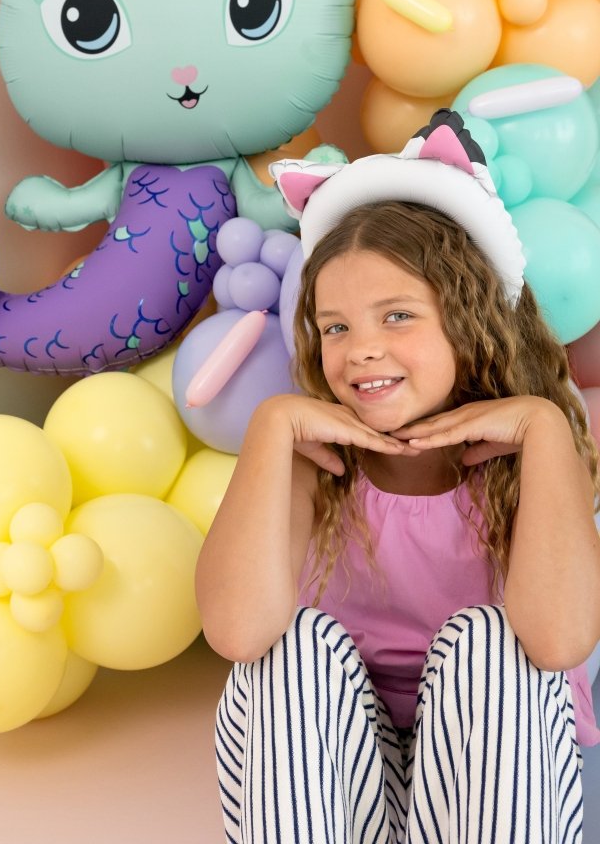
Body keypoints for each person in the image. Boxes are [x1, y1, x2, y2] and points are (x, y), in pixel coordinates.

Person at [196, 110, 600, 844]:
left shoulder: (530, 455)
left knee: (488, 641)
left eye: (398, 317)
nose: (360, 351)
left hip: (492, 763)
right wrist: (269, 430)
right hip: (343, 770)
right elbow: (238, 633)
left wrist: (543, 429)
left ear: (471, 322)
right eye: (336, 327)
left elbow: (559, 643)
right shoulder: (312, 458)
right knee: (292, 648)